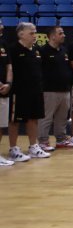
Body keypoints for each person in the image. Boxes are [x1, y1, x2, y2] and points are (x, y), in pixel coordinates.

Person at [6, 22, 50, 161]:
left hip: (36, 90)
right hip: (18, 91)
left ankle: (33, 147)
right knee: (15, 121)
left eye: (35, 32)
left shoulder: (36, 50)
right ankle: (13, 148)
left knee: (34, 118)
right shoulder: (13, 49)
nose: (34, 35)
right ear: (21, 34)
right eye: (31, 33)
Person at [38, 26, 72, 151]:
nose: (64, 35)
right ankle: (43, 142)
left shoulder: (64, 50)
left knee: (62, 118)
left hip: (65, 90)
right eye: (60, 33)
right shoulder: (42, 51)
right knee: (46, 117)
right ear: (52, 36)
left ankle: (61, 140)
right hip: (49, 90)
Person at [0, 21, 12, 166]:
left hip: (4, 90)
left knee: (1, 125)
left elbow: (9, 66)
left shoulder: (4, 44)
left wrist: (8, 83)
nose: (2, 26)